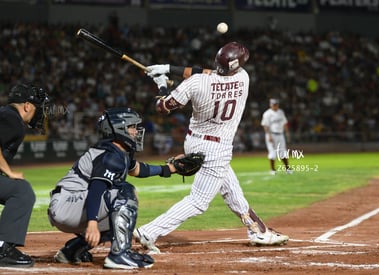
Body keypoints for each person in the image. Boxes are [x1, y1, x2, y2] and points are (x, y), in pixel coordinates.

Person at [133, 41, 289, 255]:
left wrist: (162, 83)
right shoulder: (244, 78)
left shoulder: (196, 83)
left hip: (194, 142)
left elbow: (162, 107)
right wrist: (169, 69)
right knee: (199, 202)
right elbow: (211, 74)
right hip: (218, 147)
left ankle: (257, 231)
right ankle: (149, 232)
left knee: (231, 189)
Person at [47, 107, 181, 269]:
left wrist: (167, 169)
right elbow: (97, 188)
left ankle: (71, 251)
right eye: (132, 127)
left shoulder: (117, 151)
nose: (136, 131)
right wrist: (92, 223)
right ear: (119, 129)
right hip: (68, 204)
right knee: (125, 192)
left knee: (119, 223)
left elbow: (137, 169)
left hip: (68, 204)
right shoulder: (110, 154)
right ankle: (119, 255)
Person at [0, 83, 50, 268]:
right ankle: (2, 248)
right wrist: (9, 172)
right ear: (27, 106)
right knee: (22, 191)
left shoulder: (5, 114)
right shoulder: (12, 119)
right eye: (38, 107)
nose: (40, 113)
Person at [261, 98, 292, 175]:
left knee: (283, 151)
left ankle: (287, 168)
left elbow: (284, 123)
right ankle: (272, 170)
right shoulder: (267, 114)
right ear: (270, 105)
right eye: (274, 104)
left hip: (280, 134)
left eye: (276, 104)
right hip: (272, 134)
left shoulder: (281, 112)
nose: (275, 106)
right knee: (272, 151)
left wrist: (287, 132)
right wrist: (269, 135)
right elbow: (265, 126)